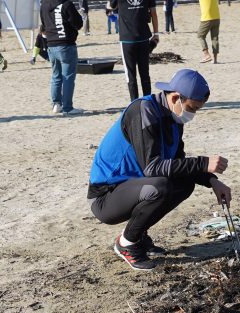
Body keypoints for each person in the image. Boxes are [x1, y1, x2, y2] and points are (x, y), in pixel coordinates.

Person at [88, 69, 231, 271]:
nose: (193, 114)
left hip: (134, 188)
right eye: (192, 108)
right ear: (175, 97)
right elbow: (152, 168)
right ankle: (126, 243)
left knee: (184, 183)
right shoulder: (143, 111)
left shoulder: (173, 117)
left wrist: (212, 181)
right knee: (160, 186)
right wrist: (203, 163)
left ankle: (138, 235)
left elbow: (178, 162)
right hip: (105, 196)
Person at [39, 0, 84, 114]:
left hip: (51, 44)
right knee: (68, 77)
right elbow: (78, 24)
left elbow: (43, 24)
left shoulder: (44, 5)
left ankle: (56, 104)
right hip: (66, 44)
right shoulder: (66, 4)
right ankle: (67, 107)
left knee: (56, 76)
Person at [116, 0, 160, 102]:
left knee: (131, 76)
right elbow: (153, 13)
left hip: (127, 39)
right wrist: (156, 33)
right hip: (143, 37)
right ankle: (147, 102)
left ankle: (134, 103)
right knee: (145, 74)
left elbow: (110, 6)